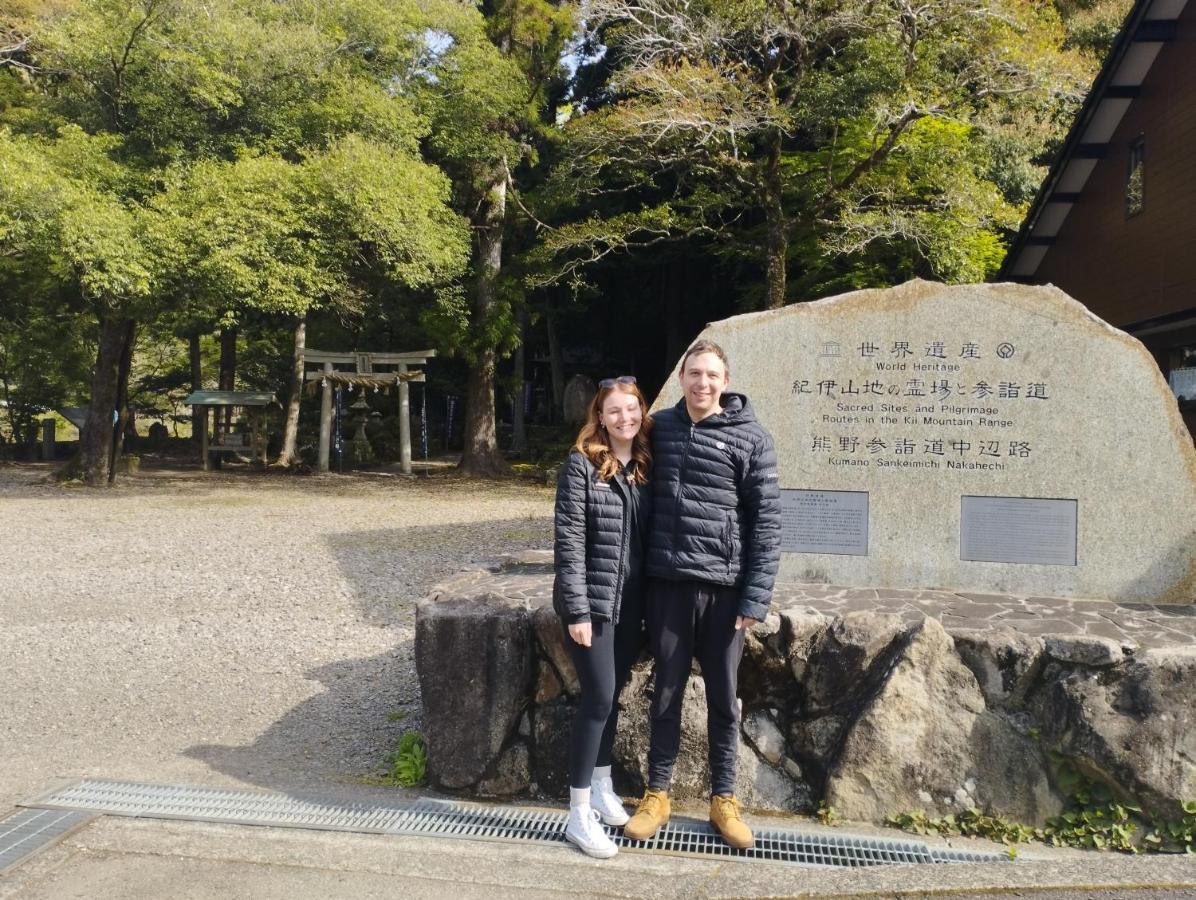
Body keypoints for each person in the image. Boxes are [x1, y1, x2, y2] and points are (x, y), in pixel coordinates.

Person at [623, 339, 781, 850]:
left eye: (711, 374)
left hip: (725, 593)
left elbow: (766, 525)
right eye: (693, 373)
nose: (701, 383)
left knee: (723, 701)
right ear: (682, 378)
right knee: (665, 694)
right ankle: (657, 793)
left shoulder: (752, 439)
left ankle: (724, 799)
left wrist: (754, 599)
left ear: (725, 381)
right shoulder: (660, 429)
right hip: (667, 586)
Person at [552, 375, 654, 859]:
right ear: (599, 416)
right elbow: (569, 541)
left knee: (611, 697)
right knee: (596, 699)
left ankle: (601, 783)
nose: (624, 419)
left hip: (631, 603)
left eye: (631, 410)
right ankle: (577, 815)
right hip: (594, 603)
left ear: (642, 411)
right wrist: (577, 609)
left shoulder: (644, 463)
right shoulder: (581, 466)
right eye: (614, 411)